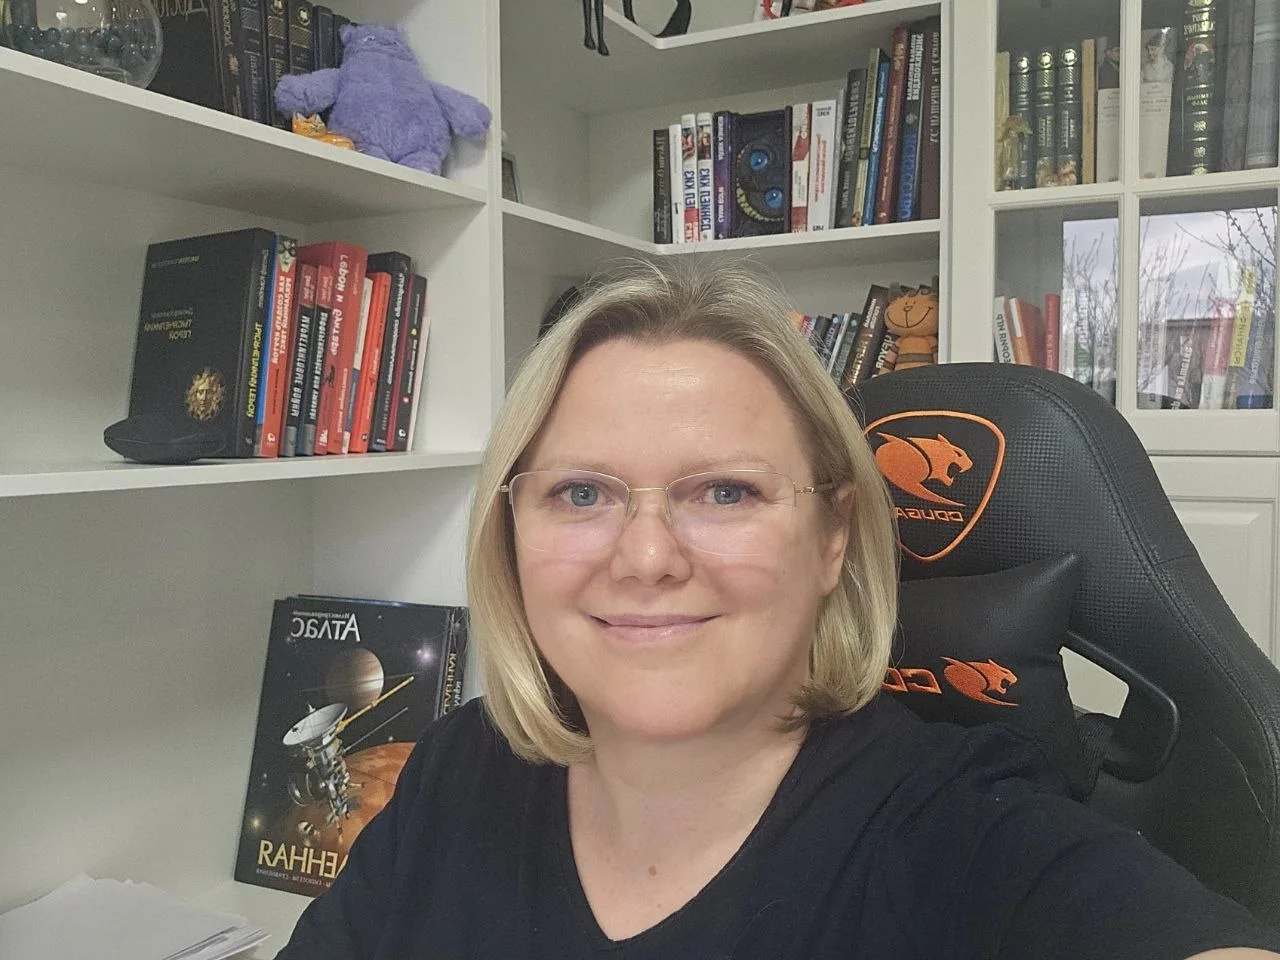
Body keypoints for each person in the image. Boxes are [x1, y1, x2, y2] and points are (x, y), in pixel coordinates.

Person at [275, 262, 1280, 959]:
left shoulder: (958, 831)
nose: (647, 558)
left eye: (725, 492)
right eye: (580, 492)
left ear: (832, 537)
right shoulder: (459, 766)